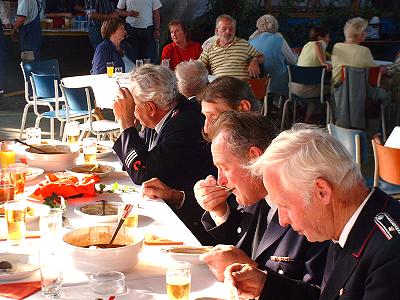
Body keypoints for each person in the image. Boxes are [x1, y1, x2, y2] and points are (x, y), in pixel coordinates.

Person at [224, 125, 400, 300]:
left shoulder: (389, 255)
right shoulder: (345, 217)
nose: (283, 221)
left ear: (322, 191)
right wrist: (266, 285)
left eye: (285, 205)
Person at [194, 111, 328, 285]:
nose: (220, 180)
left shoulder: (309, 203)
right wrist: (220, 211)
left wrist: (254, 273)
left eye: (225, 167)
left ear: (254, 157)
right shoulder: (254, 195)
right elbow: (240, 244)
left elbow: (318, 291)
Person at [112, 64, 216, 245]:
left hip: (195, 223)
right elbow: (133, 162)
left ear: (151, 107)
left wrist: (126, 123)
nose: (134, 114)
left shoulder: (184, 124)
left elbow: (141, 174)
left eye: (134, 107)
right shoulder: (164, 115)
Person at [199, 14, 263, 79]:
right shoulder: (210, 48)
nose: (228, 32)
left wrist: (254, 60)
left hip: (241, 86)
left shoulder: (244, 44)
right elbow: (198, 65)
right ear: (217, 31)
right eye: (224, 29)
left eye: (231, 29)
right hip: (220, 86)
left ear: (235, 30)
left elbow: (261, 56)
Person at [248, 14, 298, 97]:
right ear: (275, 25)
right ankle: (285, 108)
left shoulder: (251, 41)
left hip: (255, 85)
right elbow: (292, 61)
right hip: (277, 84)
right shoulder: (279, 39)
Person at [292, 26, 331, 122]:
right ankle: (332, 122)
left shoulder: (306, 45)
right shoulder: (320, 43)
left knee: (316, 88)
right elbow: (317, 45)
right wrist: (323, 62)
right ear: (319, 38)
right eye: (327, 37)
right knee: (332, 90)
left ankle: (308, 119)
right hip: (306, 90)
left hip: (293, 88)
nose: (329, 40)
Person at [331, 17, 376, 86]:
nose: (366, 33)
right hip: (359, 91)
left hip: (338, 91)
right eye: (365, 31)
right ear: (358, 33)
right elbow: (374, 72)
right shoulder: (364, 51)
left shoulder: (336, 46)